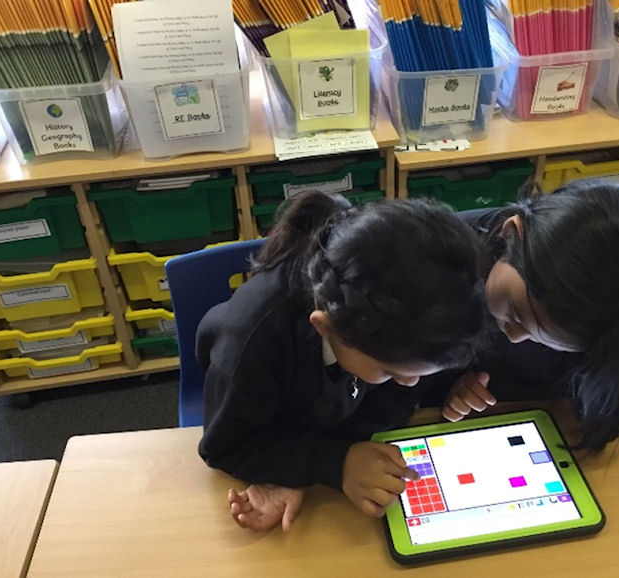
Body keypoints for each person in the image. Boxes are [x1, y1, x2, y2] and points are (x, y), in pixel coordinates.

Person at [196, 191, 488, 532]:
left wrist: (337, 455)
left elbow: (399, 394)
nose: (411, 385)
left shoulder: (405, 328)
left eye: (418, 374)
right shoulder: (251, 338)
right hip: (265, 410)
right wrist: (335, 463)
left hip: (327, 411)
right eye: (391, 372)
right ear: (325, 326)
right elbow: (225, 446)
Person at [439, 178, 619, 506]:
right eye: (516, 313)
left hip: (552, 448)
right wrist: (445, 378)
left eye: (559, 340)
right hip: (466, 449)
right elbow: (388, 382)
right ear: (510, 234)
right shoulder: (435, 265)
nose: (514, 335)